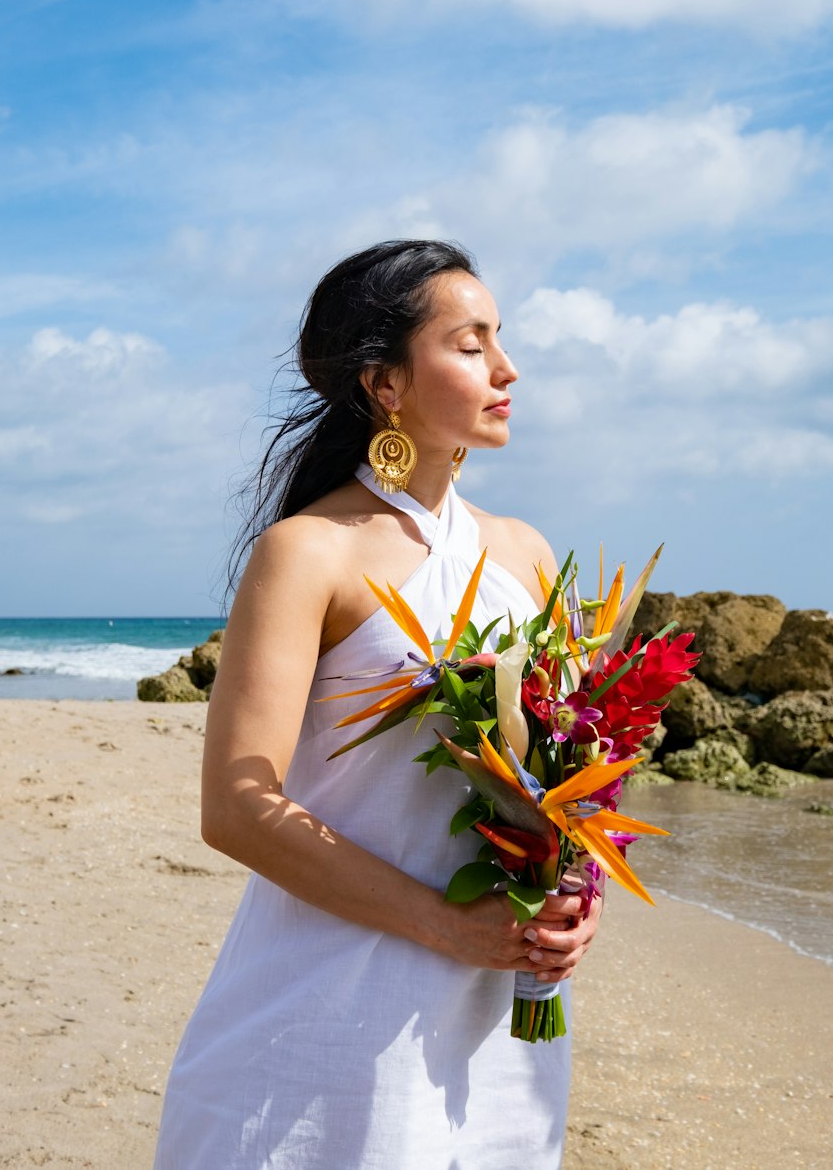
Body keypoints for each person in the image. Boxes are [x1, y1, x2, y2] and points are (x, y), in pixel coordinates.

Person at [152, 240, 602, 1169]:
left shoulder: (526, 552)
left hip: (497, 1029)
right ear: (385, 382)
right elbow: (236, 806)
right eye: (470, 344)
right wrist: (449, 925)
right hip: (331, 1008)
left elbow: (568, 771)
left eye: (499, 340)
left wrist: (575, 896)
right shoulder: (310, 551)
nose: (507, 367)